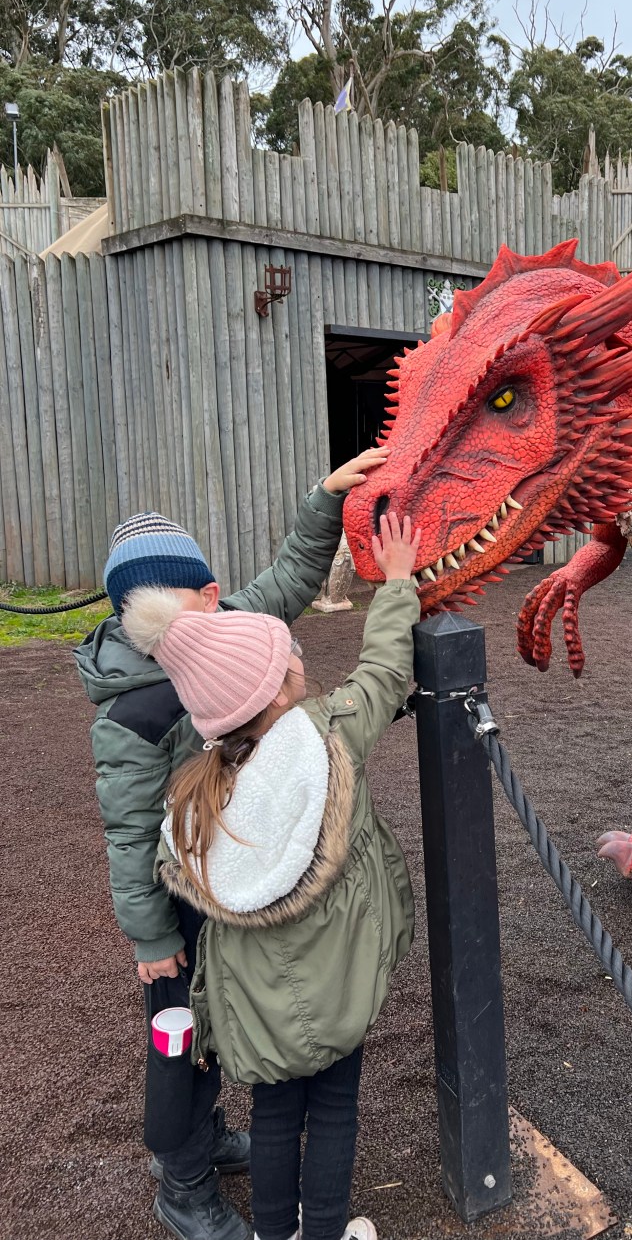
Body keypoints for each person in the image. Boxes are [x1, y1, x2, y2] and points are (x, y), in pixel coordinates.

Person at [74, 448, 390, 1240]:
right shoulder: (134, 712)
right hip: (175, 912)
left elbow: (281, 587)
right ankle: (181, 1185)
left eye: (213, 589)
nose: (219, 598)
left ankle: (206, 1142)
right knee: (178, 1038)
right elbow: (125, 832)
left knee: (215, 1031)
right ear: (141, 615)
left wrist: (323, 501)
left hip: (223, 886)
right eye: (199, 592)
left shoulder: (206, 631)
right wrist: (148, 934)